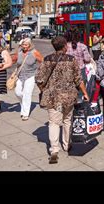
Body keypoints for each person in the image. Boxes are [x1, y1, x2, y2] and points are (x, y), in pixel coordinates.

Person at [35, 36, 89, 164]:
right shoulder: (71, 60)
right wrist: (85, 93)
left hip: (53, 97)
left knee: (53, 122)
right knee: (67, 120)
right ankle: (67, 144)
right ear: (65, 46)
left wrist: (43, 89)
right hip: (69, 97)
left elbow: (39, 79)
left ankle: (54, 150)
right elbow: (78, 79)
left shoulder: (47, 59)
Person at [11, 38, 44, 121]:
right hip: (20, 75)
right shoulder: (19, 52)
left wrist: (40, 72)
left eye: (26, 45)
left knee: (27, 93)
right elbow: (13, 61)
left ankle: (25, 113)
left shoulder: (34, 52)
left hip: (31, 75)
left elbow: (43, 62)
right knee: (18, 92)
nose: (24, 46)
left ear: (29, 45)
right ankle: (24, 105)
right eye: (23, 45)